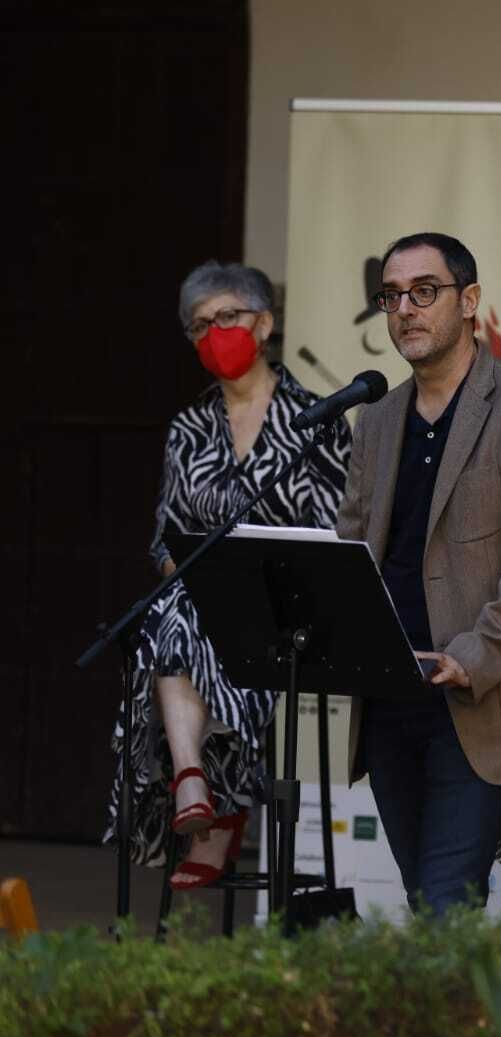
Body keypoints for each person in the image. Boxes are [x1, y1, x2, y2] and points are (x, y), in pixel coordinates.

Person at [335, 232, 501, 914]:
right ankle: (458, 1016)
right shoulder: (377, 417)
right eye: (391, 296)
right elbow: (353, 545)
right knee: (428, 898)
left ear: (470, 301)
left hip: (478, 696)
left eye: (425, 291)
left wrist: (470, 656)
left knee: (445, 898)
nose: (406, 309)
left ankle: (446, 1019)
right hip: (391, 690)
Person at [105, 261, 351, 889]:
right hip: (205, 605)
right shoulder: (189, 428)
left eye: (228, 318)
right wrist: (190, 572)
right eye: (199, 325)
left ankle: (208, 803)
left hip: (293, 615)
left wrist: (244, 578)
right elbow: (166, 532)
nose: (214, 333)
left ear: (263, 323)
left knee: (180, 619)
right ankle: (195, 781)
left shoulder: (316, 419)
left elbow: (335, 534)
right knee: (177, 605)